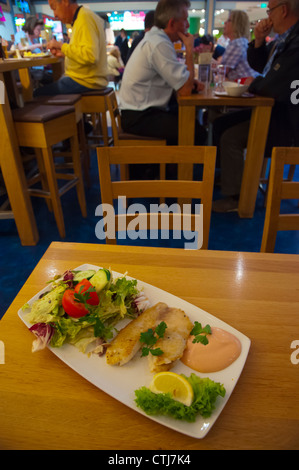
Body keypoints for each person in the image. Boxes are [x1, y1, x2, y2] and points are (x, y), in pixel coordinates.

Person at [212, 0, 299, 212]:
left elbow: (274, 83)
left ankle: (237, 197)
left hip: (288, 123)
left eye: (270, 10)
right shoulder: (284, 39)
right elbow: (261, 67)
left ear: (284, 10)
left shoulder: (296, 43)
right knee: (220, 123)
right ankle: (228, 177)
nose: (268, 15)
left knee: (230, 137)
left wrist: (254, 83)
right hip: (273, 112)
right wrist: (258, 41)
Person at [119, 0, 206, 146]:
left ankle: (170, 167)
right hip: (139, 116)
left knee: (187, 119)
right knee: (196, 132)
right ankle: (175, 168)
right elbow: (184, 90)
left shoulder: (157, 38)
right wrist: (189, 50)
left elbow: (178, 81)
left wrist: (188, 81)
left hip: (138, 111)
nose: (188, 25)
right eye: (185, 20)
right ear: (172, 23)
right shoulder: (159, 43)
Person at [33, 0, 108, 97]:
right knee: (49, 81)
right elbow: (84, 52)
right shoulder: (82, 16)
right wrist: (64, 53)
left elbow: (90, 56)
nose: (55, 15)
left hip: (87, 81)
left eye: (54, 8)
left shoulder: (84, 18)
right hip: (89, 79)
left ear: (65, 1)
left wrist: (62, 46)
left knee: (37, 94)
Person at [218, 11, 259, 81]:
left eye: (229, 20)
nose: (225, 22)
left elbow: (222, 70)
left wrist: (216, 62)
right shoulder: (242, 41)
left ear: (237, 25)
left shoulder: (236, 44)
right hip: (250, 84)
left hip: (245, 88)